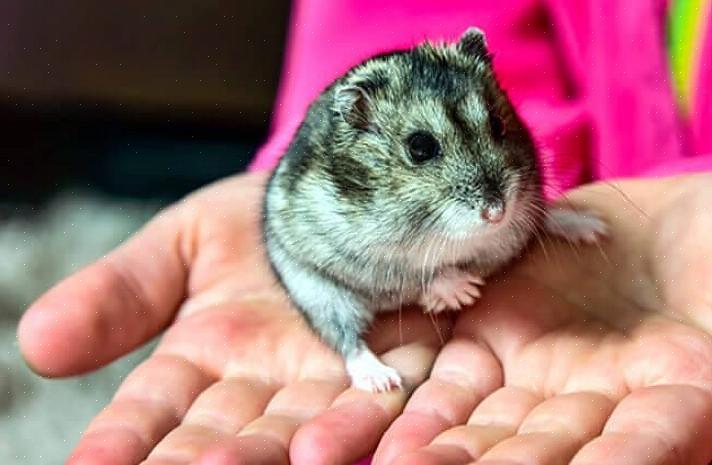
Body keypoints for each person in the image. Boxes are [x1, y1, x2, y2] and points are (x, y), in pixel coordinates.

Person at [18, 0, 712, 464]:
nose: (491, 194)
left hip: (660, 184)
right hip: (357, 273)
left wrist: (538, 209)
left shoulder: (497, 170)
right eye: (420, 150)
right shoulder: (334, 210)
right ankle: (352, 351)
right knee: (338, 297)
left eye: (494, 127)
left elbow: (492, 164)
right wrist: (429, 274)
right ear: (355, 131)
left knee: (511, 190)